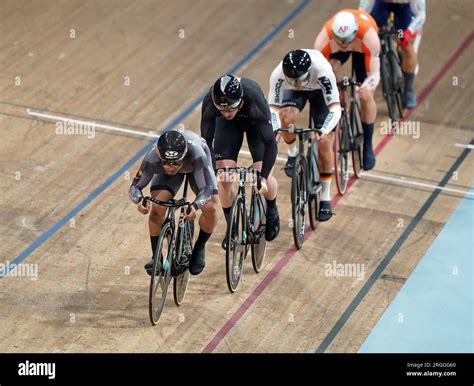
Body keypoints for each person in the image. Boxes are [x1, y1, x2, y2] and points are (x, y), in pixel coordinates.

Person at [201, 74, 280, 247]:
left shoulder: (254, 99)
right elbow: (206, 142)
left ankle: (272, 208)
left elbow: (270, 145)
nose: (226, 112)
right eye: (222, 109)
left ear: (240, 100)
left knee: (262, 172)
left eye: (230, 108)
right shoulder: (211, 102)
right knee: (224, 178)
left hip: (255, 124)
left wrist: (264, 177)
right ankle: (233, 226)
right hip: (228, 128)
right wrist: (212, 171)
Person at [128, 130, 219, 276]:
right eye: (166, 163)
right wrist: (139, 200)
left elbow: (206, 189)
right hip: (180, 167)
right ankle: (156, 257)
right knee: (157, 206)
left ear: (184, 154)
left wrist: (195, 206)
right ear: (159, 155)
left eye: (176, 163)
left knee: (210, 207)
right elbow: (135, 187)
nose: (171, 168)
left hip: (196, 166)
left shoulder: (197, 156)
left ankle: (200, 247)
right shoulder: (151, 159)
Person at [268, 49, 341, 221]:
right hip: (296, 95)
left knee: (324, 143)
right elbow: (273, 108)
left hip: (319, 92)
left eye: (299, 80)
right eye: (292, 80)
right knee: (286, 117)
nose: (297, 84)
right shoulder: (278, 74)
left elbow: (335, 109)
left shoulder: (323, 71)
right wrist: (276, 128)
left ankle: (325, 197)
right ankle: (293, 154)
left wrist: (323, 130)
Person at [314, 9, 380, 172]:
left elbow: (375, 74)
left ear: (355, 32)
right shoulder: (324, 38)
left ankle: (368, 144)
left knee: (365, 96)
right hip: (342, 50)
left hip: (362, 49)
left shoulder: (369, 36)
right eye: (340, 39)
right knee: (330, 68)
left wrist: (366, 86)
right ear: (333, 34)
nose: (344, 44)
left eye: (347, 39)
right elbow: (317, 74)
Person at [359, 0, 426, 108]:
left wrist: (408, 32)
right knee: (369, 36)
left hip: (404, 8)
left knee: (407, 46)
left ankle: (408, 88)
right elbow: (361, 13)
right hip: (381, 4)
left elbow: (421, 14)